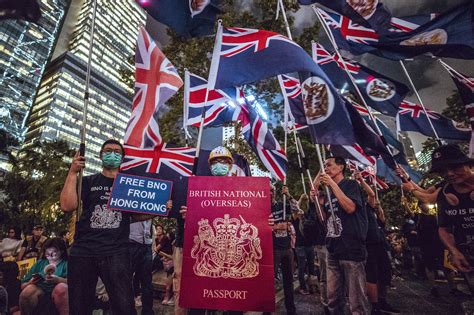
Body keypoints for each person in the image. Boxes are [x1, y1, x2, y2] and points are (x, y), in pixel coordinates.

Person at [60, 139, 154, 315]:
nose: (112, 154)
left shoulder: (128, 184)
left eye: (117, 152)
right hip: (84, 250)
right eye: (108, 151)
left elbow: (134, 216)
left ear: (122, 158)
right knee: (79, 306)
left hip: (116, 251)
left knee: (124, 306)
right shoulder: (87, 181)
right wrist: (72, 173)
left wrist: (159, 209)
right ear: (101, 155)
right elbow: (67, 205)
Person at [179, 146, 245, 315]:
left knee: (233, 304)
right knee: (199, 301)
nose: (219, 165)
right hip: (208, 252)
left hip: (232, 251)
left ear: (230, 166)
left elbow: (249, 216)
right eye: (215, 162)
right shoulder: (200, 188)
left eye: (223, 162)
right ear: (210, 167)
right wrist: (188, 214)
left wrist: (263, 221)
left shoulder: (242, 190)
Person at [314, 157, 369, 315]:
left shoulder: (350, 185)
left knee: (356, 302)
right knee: (333, 298)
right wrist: (317, 200)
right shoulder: (330, 192)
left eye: (329, 165)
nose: (326, 169)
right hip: (333, 248)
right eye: (324, 166)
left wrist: (331, 184)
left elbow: (350, 207)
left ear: (340, 167)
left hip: (351, 249)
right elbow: (324, 219)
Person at [430, 145, 474, 294]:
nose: (449, 174)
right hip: (469, 255)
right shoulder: (444, 194)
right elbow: (443, 227)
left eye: (455, 167)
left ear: (468, 164)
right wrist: (454, 251)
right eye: (443, 171)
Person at [355, 173, 399, 315]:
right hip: (368, 244)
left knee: (385, 273)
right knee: (371, 275)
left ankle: (382, 300)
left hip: (380, 243)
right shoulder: (356, 208)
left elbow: (372, 194)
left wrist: (361, 180)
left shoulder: (369, 207)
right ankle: (374, 306)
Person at [19, 237, 68, 315]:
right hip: (40, 289)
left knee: (61, 287)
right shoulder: (40, 263)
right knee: (28, 291)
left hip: (57, 291)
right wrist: (30, 282)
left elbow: (74, 283)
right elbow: (23, 285)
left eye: (54, 252)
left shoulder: (66, 264)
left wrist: (58, 280)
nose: (50, 255)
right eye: (47, 253)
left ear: (61, 251)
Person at [129, 218, 154, 315]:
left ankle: (148, 311)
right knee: (127, 280)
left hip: (146, 243)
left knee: (147, 282)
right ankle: (129, 311)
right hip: (131, 242)